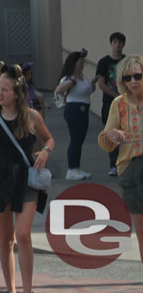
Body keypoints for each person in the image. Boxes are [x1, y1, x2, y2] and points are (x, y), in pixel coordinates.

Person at [0, 64, 54, 293]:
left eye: (5, 89)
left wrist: (45, 151)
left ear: (17, 93)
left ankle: (28, 289)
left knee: (24, 235)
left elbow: (49, 140)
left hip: (26, 178)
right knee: (6, 240)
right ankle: (11, 289)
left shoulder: (32, 116)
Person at [98, 53, 143, 261]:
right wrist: (112, 135)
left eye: (137, 76)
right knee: (141, 230)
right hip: (131, 169)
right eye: (127, 78)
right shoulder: (119, 103)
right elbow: (105, 141)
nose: (133, 81)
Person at [55, 49, 96, 179]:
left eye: (84, 63)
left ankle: (76, 168)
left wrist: (93, 83)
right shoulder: (68, 78)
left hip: (84, 109)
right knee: (75, 139)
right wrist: (71, 82)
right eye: (80, 63)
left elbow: (88, 90)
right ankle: (71, 169)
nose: (83, 65)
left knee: (80, 139)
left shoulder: (83, 77)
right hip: (74, 110)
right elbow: (58, 90)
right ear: (74, 64)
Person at [97, 32, 127, 177]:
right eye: (114, 42)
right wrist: (116, 96)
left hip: (127, 103)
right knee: (111, 132)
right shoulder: (104, 62)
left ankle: (126, 161)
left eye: (120, 42)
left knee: (128, 132)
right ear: (111, 44)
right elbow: (101, 84)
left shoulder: (127, 61)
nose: (117, 45)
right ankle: (113, 164)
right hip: (110, 103)